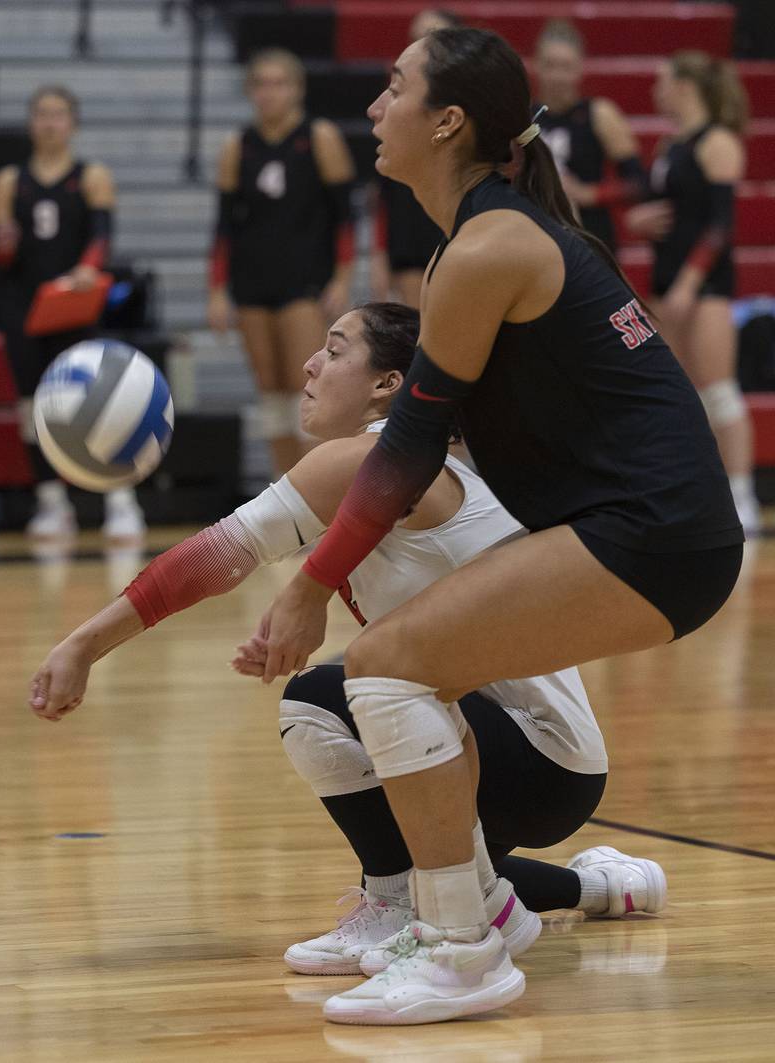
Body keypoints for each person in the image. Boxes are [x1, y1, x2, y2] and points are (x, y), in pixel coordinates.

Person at [248, 27, 744, 1026]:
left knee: (384, 667)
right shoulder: (472, 245)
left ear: (447, 122)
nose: (374, 106)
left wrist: (307, 585)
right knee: (397, 671)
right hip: (643, 523)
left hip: (654, 528)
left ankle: (463, 950)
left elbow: (407, 447)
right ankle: (464, 920)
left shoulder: (488, 248)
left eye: (394, 88)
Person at [27, 302, 664, 994]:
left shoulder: (370, 456)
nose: (309, 365)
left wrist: (83, 646)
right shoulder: (401, 461)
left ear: (388, 384)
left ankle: (399, 908)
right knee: (434, 860)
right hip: (536, 761)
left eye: (334, 351)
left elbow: (210, 559)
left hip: (533, 750)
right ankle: (605, 888)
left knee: (319, 703)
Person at [0, 85, 146, 540]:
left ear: (72, 123)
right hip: (22, 307)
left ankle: (121, 501)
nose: (49, 122)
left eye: (58, 114)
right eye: (41, 114)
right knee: (31, 408)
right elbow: (1, 257)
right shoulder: (9, 181)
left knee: (94, 405)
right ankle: (52, 503)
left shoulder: (91, 175)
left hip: (73, 305)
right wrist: (4, 245)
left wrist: (88, 268)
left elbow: (101, 235)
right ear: (30, 122)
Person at [625, 52, 758, 534]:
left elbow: (720, 226)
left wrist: (688, 283)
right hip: (667, 283)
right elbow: (662, 208)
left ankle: (743, 499)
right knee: (678, 399)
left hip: (705, 290)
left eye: (662, 80)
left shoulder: (718, 141)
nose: (655, 89)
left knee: (720, 394)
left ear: (684, 85)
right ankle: (693, 495)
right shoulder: (670, 144)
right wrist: (639, 220)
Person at [208, 48, 356, 474]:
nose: (269, 93)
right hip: (251, 281)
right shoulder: (238, 146)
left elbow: (346, 218)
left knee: (305, 388)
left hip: (305, 281)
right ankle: (284, 490)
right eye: (261, 84)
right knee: (270, 393)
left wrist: (342, 278)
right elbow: (223, 229)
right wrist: (217, 291)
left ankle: (317, 493)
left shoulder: (319, 137)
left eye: (279, 83)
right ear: (249, 91)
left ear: (298, 89)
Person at [370, 9, 460, 308]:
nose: (420, 45)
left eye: (431, 38)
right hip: (411, 241)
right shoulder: (394, 101)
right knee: (416, 329)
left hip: (462, 235)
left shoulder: (473, 103)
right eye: (415, 38)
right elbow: (384, 187)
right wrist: (380, 253)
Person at [534, 19, 646, 251]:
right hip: (536, 240)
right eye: (550, 65)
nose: (557, 76)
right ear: (537, 65)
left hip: (591, 239)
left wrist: (590, 193)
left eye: (565, 67)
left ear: (580, 68)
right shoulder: (523, 115)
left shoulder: (599, 114)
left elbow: (639, 183)